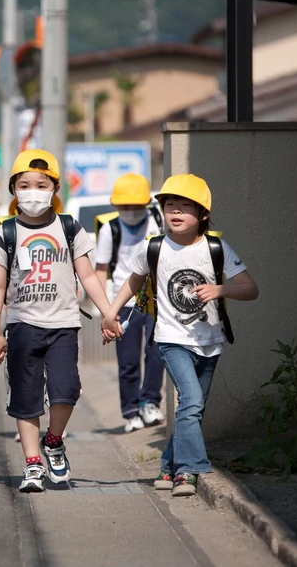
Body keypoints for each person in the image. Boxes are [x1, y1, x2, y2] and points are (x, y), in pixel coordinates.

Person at [101, 174, 259, 497]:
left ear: (202, 214)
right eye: (169, 205)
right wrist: (111, 312)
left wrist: (220, 289)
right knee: (192, 400)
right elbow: (132, 282)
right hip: (171, 339)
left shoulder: (217, 248)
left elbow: (250, 289)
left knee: (193, 407)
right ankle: (189, 471)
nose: (174, 211)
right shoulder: (155, 247)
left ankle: (167, 466)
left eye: (183, 206)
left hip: (209, 342)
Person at [0, 149, 118, 493]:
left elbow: (87, 276)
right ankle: (32, 465)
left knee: (67, 389)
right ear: (13, 189)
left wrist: (107, 311)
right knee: (26, 397)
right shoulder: (6, 233)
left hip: (63, 324)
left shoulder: (70, 227)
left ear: (55, 188)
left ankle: (54, 441)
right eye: (24, 184)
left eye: (41, 184)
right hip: (22, 325)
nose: (32, 191)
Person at [95, 173, 165, 433]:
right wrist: (105, 309)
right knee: (128, 360)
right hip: (124, 302)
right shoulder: (109, 228)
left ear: (147, 203)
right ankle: (131, 411)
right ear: (115, 206)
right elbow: (101, 269)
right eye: (125, 206)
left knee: (157, 353)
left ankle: (150, 402)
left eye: (137, 206)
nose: (131, 212)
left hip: (155, 299)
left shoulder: (157, 221)